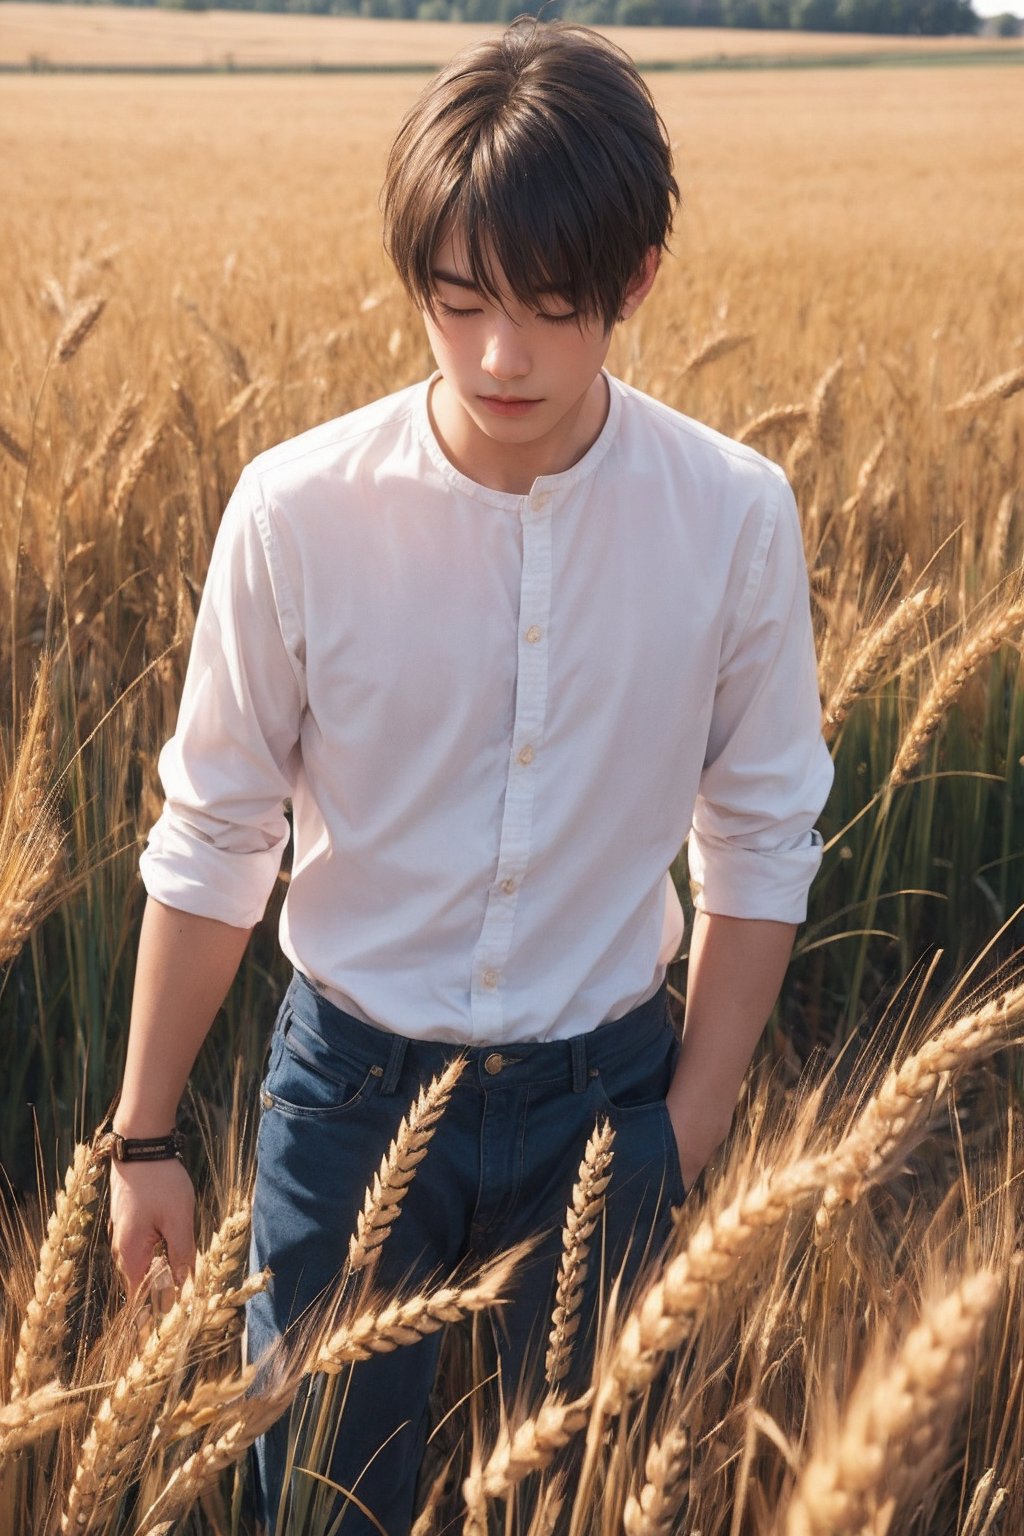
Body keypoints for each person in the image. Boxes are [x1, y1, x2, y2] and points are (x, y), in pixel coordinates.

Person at [107, 17, 834, 1535]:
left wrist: (679, 1140)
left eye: (555, 308)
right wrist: (147, 1136)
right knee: (318, 1511)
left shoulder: (734, 516)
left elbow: (761, 842)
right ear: (418, 285)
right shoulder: (296, 512)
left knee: (587, 1506)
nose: (502, 355)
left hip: (606, 1098)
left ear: (637, 281)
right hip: (347, 1101)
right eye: (460, 302)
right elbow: (215, 836)